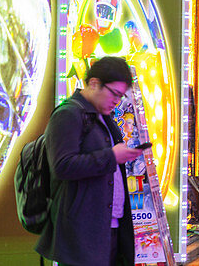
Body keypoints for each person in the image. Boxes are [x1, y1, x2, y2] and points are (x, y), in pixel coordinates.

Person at [37, 56, 143, 266]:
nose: (117, 101)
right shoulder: (68, 114)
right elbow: (62, 165)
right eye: (114, 93)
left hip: (107, 227)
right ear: (94, 83)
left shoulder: (102, 115)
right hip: (83, 233)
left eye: (121, 96)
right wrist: (112, 156)